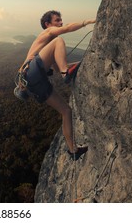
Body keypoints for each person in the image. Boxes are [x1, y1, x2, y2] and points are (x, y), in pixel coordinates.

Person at [15, 10, 95, 160]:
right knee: (59, 41)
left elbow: (59, 68)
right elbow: (67, 29)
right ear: (48, 24)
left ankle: (73, 150)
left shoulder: (48, 50)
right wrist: (87, 22)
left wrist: (82, 63)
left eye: (61, 20)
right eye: (57, 20)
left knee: (66, 111)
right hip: (31, 72)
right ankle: (72, 149)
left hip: (32, 82)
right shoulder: (48, 33)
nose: (61, 23)